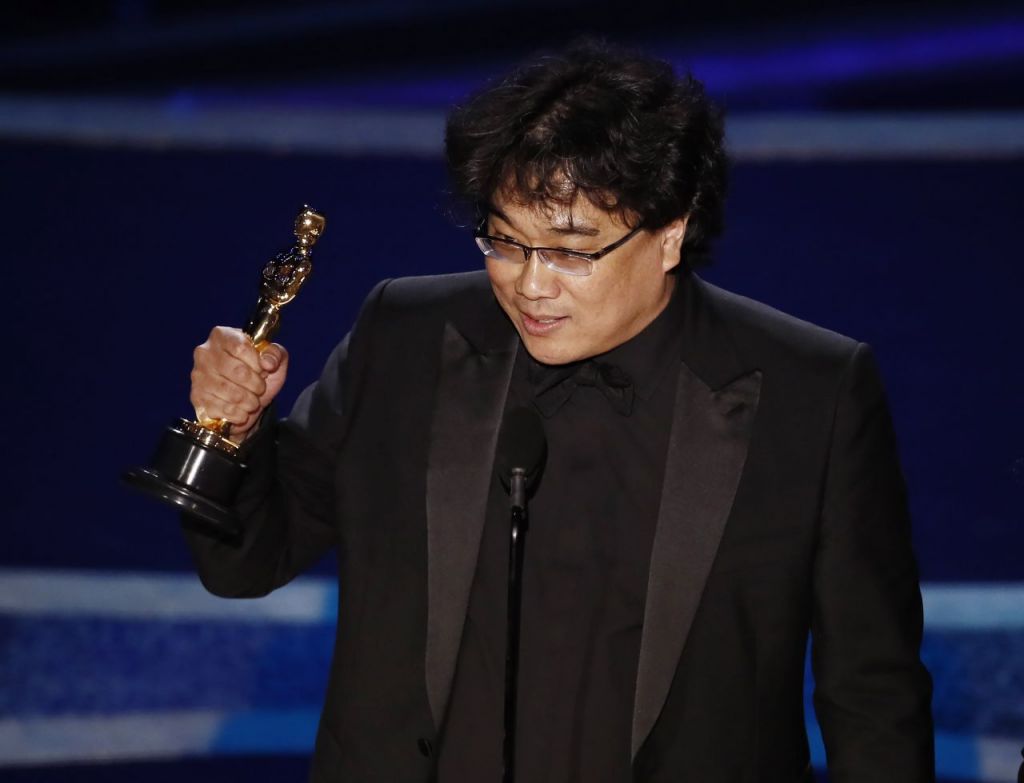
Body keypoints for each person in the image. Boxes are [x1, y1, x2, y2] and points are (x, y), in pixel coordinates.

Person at [184, 40, 934, 782]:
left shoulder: (812, 393)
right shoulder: (407, 339)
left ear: (670, 233)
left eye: (571, 251)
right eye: (505, 243)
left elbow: (874, 696)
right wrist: (230, 433)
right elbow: (246, 560)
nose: (531, 285)